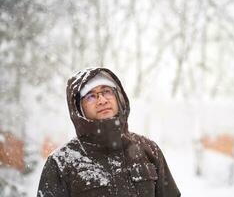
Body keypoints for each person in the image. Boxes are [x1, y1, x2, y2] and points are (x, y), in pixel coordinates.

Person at [37, 67, 181, 197]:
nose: (102, 100)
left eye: (107, 91)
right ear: (79, 108)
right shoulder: (61, 162)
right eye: (91, 96)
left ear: (119, 98)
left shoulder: (148, 150)